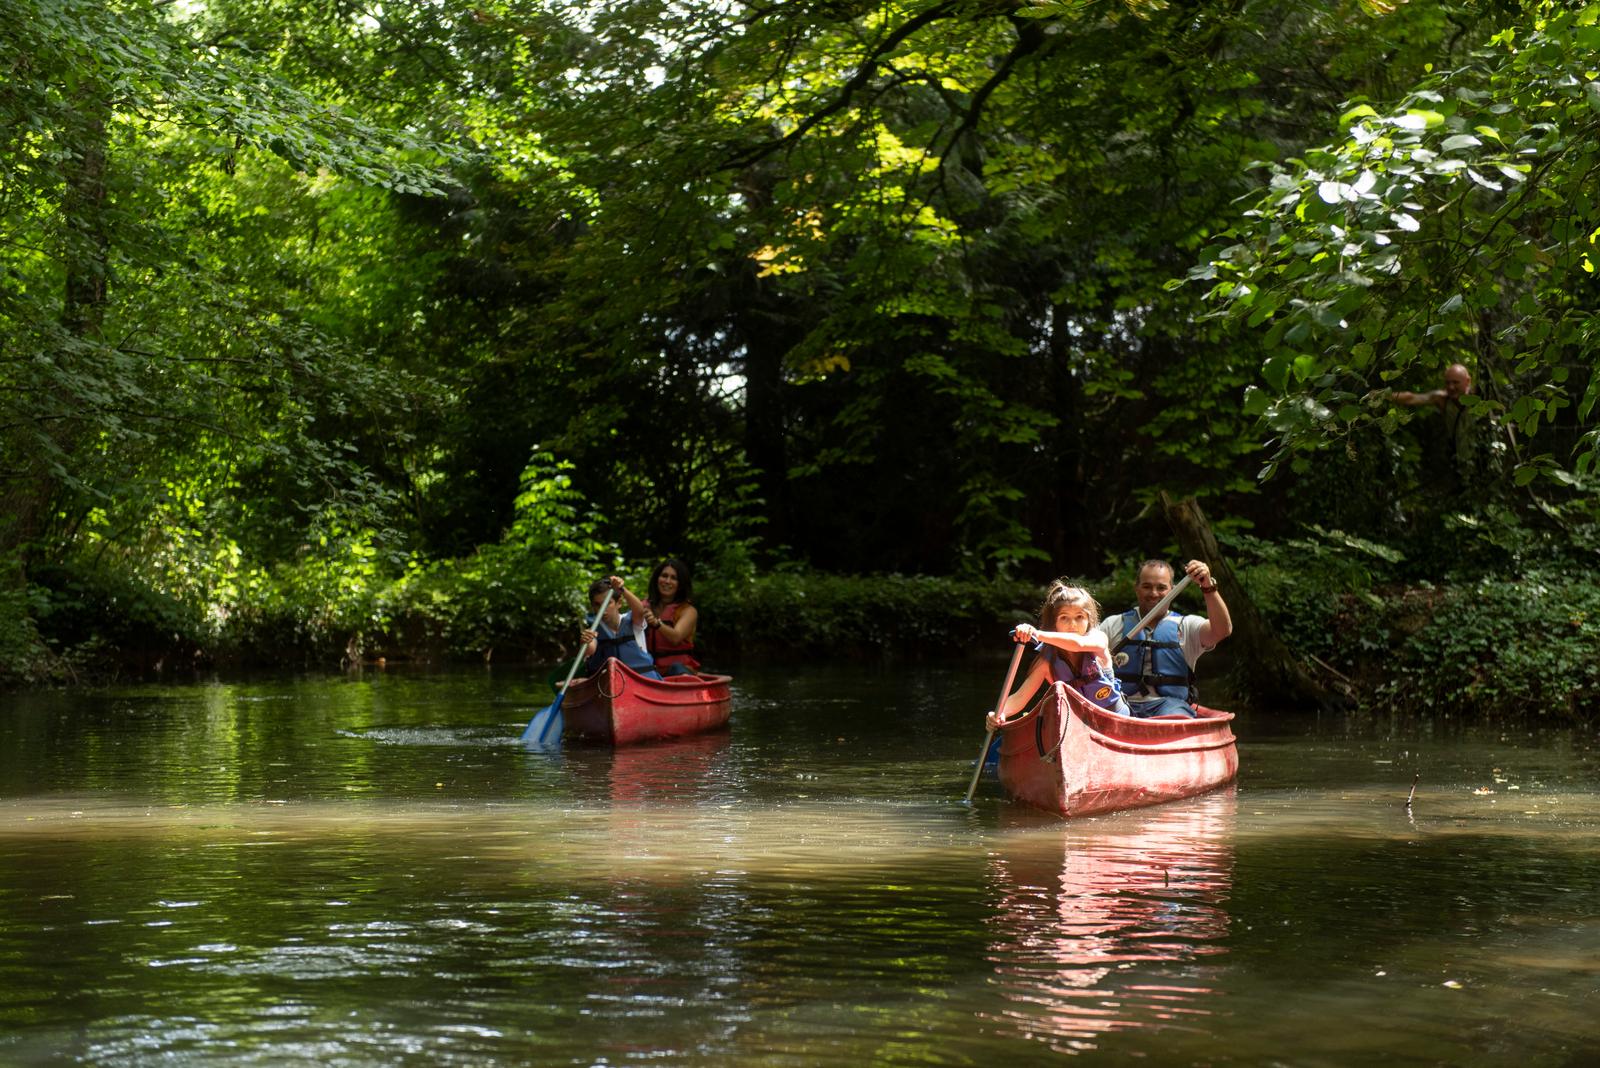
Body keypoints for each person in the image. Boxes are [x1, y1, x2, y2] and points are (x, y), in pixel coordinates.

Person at [1095, 559, 1232, 719]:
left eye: (1161, 588)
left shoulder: (1187, 626)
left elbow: (1222, 630)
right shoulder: (1113, 624)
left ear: (1172, 590)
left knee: (1174, 715)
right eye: (1147, 586)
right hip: (1122, 704)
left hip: (1170, 706)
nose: (1153, 593)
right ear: (1137, 589)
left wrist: (1208, 587)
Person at [984, 582, 1128, 733]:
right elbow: (1020, 697)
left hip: (1116, 720)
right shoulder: (1047, 661)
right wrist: (1000, 713)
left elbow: (1078, 644)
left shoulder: (1098, 640)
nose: (1072, 624)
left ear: (1089, 620)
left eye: (1079, 617)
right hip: (1080, 728)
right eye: (1064, 618)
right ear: (1054, 623)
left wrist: (1036, 634)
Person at [579, 575, 661, 680]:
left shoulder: (634, 622)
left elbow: (640, 610)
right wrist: (584, 642)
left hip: (639, 679)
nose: (602, 609)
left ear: (619, 603)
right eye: (597, 605)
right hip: (609, 683)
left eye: (607, 603)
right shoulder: (594, 629)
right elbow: (590, 649)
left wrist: (622, 589)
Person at [642, 558, 701, 677]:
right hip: (650, 670)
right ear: (657, 579)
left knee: (676, 667)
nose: (667, 581)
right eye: (664, 576)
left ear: (680, 585)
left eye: (674, 578)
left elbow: (676, 637)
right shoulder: (643, 606)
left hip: (679, 670)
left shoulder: (688, 611)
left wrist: (656, 623)